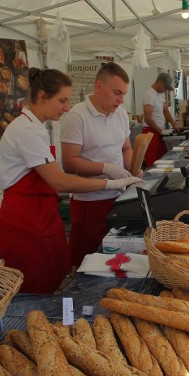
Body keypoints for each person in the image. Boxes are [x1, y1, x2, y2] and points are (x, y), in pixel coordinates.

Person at [0, 68, 141, 293]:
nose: (65, 107)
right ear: (42, 96)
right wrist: (109, 181)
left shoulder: (34, 127)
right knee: (33, 285)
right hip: (24, 218)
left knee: (52, 274)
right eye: (62, 100)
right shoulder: (27, 131)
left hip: (41, 212)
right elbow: (61, 181)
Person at [60, 62, 138, 268]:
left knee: (116, 259)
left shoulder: (120, 114)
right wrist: (106, 168)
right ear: (98, 87)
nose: (121, 100)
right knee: (89, 261)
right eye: (116, 93)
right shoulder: (77, 116)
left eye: (123, 94)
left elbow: (125, 148)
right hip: (90, 201)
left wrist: (133, 170)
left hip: (119, 198)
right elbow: (69, 162)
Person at [142, 72, 179, 166]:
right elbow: (147, 118)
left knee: (162, 159)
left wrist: (174, 124)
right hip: (150, 133)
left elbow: (165, 110)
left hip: (158, 132)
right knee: (153, 162)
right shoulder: (149, 95)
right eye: (165, 87)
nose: (165, 90)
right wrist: (160, 131)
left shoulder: (158, 94)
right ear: (160, 83)